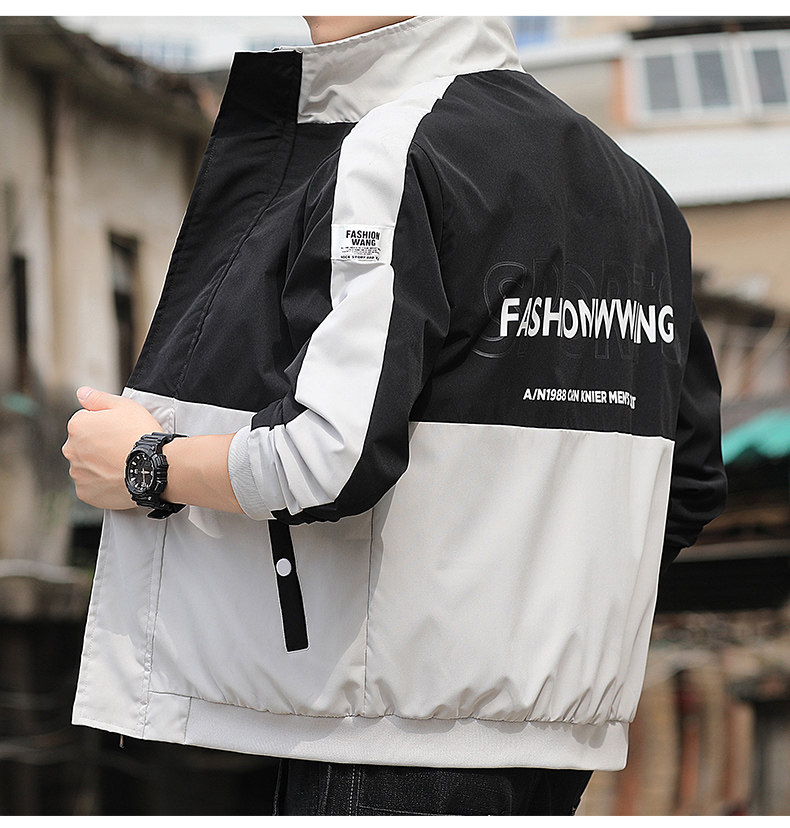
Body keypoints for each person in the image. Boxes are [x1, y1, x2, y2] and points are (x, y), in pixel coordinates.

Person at [62, 16, 727, 816]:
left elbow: (330, 458)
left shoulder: (393, 146)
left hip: (391, 727)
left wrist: (147, 465)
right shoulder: (641, 197)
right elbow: (688, 480)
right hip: (559, 736)